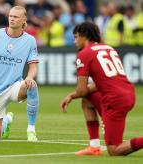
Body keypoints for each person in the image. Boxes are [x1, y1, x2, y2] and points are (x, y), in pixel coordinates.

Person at [60, 22, 143, 156]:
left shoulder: (84, 54)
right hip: (128, 92)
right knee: (87, 101)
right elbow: (101, 83)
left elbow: (81, 91)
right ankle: (94, 147)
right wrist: (73, 95)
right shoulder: (108, 48)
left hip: (115, 99)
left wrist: (72, 95)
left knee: (114, 150)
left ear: (84, 36)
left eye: (76, 37)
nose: (74, 41)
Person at [0, 6, 39, 141]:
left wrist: (29, 77)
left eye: (16, 17)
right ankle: (5, 122)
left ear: (24, 20)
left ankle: (31, 130)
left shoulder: (30, 40)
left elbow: (33, 66)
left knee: (32, 85)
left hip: (14, 86)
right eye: (10, 16)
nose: (12, 19)